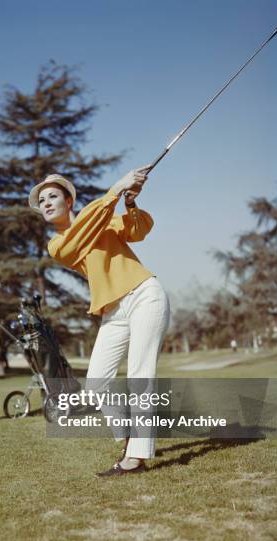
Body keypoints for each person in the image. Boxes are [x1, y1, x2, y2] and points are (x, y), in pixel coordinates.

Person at [29, 169, 170, 476]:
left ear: (69, 201)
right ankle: (129, 437)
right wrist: (116, 189)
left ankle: (136, 456)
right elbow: (81, 234)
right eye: (42, 200)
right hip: (113, 311)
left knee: (139, 375)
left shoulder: (103, 218)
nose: (47, 202)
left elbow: (139, 231)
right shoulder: (58, 244)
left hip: (144, 295)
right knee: (96, 383)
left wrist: (130, 205)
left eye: (53, 196)